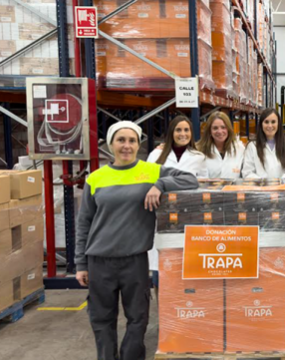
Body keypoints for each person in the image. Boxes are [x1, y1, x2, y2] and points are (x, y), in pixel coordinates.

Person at [75, 121, 199, 360]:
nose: (126, 146)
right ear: (111, 144)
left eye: (132, 141)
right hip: (100, 262)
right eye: (121, 140)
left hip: (135, 261)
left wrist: (159, 185)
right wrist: (81, 264)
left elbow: (189, 180)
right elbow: (84, 224)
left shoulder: (150, 171)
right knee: (101, 320)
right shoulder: (95, 178)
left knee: (138, 318)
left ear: (138, 144)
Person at [147, 115, 206, 290]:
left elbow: (202, 187)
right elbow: (147, 183)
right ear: (171, 132)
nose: (183, 134)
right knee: (162, 267)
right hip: (163, 217)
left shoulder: (198, 157)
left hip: (190, 217)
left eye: (186, 130)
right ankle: (164, 308)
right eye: (178, 130)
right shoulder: (156, 154)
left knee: (187, 267)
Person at [242, 108, 285, 182]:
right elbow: (247, 173)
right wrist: (264, 183)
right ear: (261, 124)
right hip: (260, 191)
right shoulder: (252, 146)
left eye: (273, 122)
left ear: (278, 124)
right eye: (266, 122)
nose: (270, 126)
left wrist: (282, 180)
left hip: (282, 191)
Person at [196, 111, 245, 178]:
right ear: (209, 131)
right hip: (208, 188)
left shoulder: (239, 148)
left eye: (223, 127)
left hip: (233, 188)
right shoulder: (199, 150)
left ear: (228, 129)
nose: (219, 131)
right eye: (215, 128)